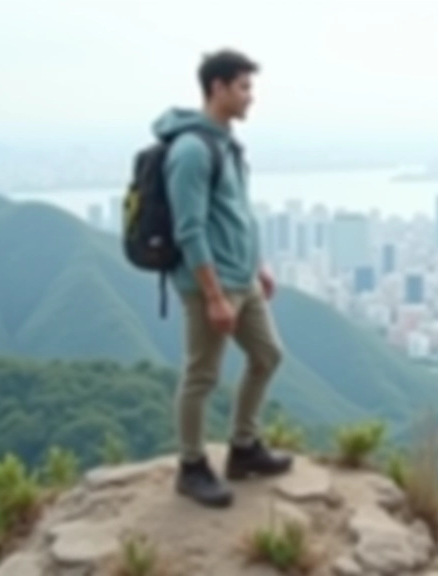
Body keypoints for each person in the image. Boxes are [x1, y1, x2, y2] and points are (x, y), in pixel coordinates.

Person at [152, 48, 292, 508]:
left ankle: (243, 448)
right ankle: (191, 467)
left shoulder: (226, 142)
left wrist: (257, 265)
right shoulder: (193, 150)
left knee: (268, 355)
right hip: (211, 284)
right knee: (201, 376)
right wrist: (213, 296)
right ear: (218, 88)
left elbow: (234, 214)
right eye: (244, 87)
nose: (251, 97)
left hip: (242, 277)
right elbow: (189, 229)